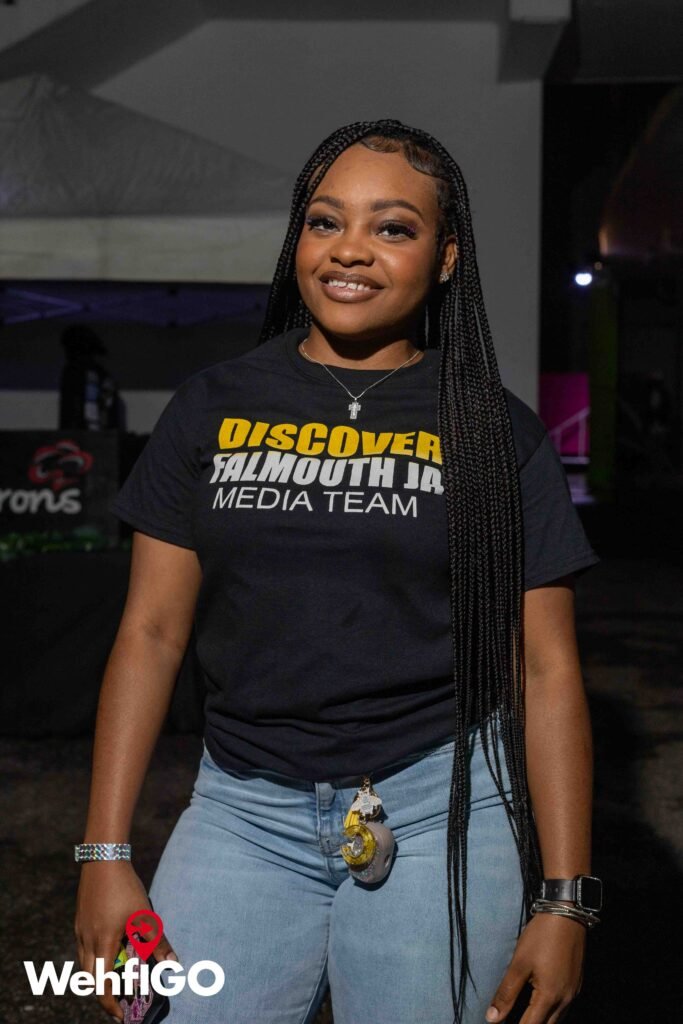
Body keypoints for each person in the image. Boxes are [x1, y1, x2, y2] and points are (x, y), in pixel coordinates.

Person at [74, 119, 602, 1024]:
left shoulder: (493, 431)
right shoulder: (211, 406)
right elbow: (151, 633)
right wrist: (104, 853)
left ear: (445, 257)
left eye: (392, 227)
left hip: (440, 811)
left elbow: (546, 671)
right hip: (240, 810)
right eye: (325, 222)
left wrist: (564, 901)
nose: (350, 249)